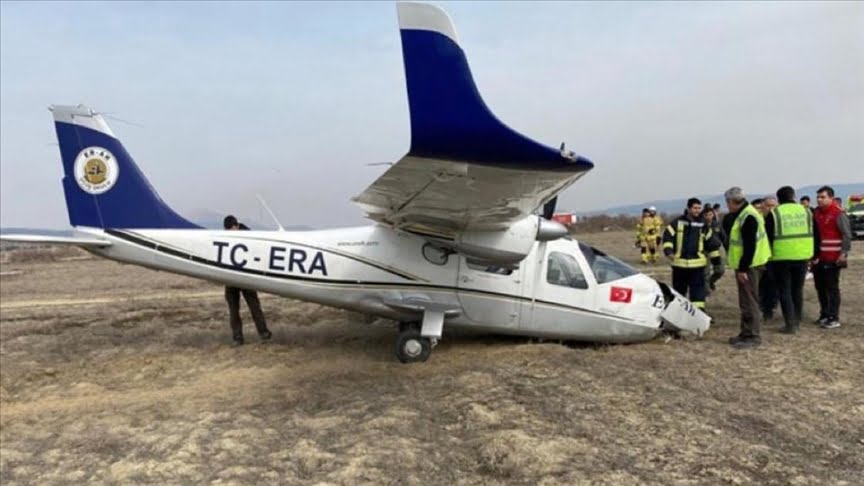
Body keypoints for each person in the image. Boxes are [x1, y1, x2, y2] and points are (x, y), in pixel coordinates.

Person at [723, 187, 771, 349]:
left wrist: (743, 269)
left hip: (750, 266)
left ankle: (753, 336)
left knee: (750, 302)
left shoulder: (747, 216)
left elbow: (749, 246)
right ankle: (745, 333)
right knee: (745, 301)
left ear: (731, 202)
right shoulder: (747, 213)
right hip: (750, 265)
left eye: (727, 203)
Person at [765, 186, 814, 334]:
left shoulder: (775, 213)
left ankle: (790, 324)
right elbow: (814, 232)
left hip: (781, 257)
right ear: (793, 196)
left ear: (778, 198)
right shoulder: (806, 211)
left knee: (784, 290)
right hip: (802, 255)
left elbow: (768, 236)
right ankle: (797, 319)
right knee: (797, 289)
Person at [662, 198, 722, 310]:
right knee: (679, 292)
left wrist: (717, 263)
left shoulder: (703, 225)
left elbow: (712, 245)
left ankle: (699, 314)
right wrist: (669, 251)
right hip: (679, 265)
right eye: (695, 208)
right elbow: (667, 237)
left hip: (697, 266)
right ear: (689, 208)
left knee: (698, 293)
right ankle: (677, 313)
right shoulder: (677, 222)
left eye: (699, 208)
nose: (697, 210)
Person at [223, 215, 273, 346]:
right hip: (231, 278)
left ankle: (264, 333)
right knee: (234, 309)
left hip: (246, 277)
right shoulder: (228, 237)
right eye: (227, 230)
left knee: (254, 306)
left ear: (236, 226)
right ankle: (237, 337)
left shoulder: (250, 237)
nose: (230, 232)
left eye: (231, 229)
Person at [812, 186, 853, 329]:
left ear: (831, 198)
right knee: (820, 287)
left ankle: (833, 317)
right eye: (818, 197)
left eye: (822, 197)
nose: (819, 200)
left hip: (833, 257)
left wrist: (843, 253)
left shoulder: (838, 213)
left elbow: (847, 235)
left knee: (832, 288)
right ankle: (824, 314)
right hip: (818, 258)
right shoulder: (816, 213)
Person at [755, 197, 779, 321]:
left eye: (773, 206)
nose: (771, 208)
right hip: (761, 257)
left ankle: (769, 308)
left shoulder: (778, 220)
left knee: (772, 284)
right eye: (768, 206)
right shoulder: (757, 219)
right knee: (762, 284)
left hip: (776, 257)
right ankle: (764, 307)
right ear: (763, 206)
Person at [701, 206, 726, 293]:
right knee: (705, 273)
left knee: (720, 270)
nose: (708, 216)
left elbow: (724, 237)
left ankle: (712, 281)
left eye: (710, 214)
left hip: (716, 251)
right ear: (703, 215)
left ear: (713, 215)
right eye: (706, 215)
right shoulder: (700, 226)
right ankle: (707, 292)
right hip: (704, 252)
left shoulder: (717, 225)